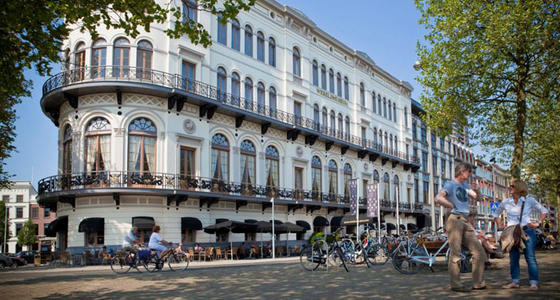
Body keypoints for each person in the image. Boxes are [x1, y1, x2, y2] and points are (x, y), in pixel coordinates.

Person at [435, 162, 487, 292]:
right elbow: (438, 198)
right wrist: (451, 205)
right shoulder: (451, 184)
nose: (469, 175)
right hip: (455, 219)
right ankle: (456, 284)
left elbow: (478, 198)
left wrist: (477, 189)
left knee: (479, 251)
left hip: (465, 220)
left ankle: (478, 283)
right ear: (462, 172)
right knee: (456, 252)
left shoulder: (465, 186)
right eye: (468, 172)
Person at [493, 179, 548, 290]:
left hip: (526, 231)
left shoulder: (529, 200)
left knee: (530, 257)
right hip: (511, 232)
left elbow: (544, 211)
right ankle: (515, 281)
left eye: (512, 186)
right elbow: (495, 213)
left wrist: (538, 223)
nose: (509, 188)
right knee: (513, 257)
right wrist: (500, 224)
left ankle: (533, 282)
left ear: (519, 188)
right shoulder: (506, 202)